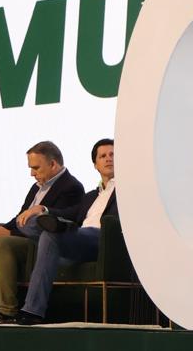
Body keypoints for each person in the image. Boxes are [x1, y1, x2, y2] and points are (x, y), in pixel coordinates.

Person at [0, 141, 84, 323]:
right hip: (19, 238)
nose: (32, 173)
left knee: (2, 242)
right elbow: (21, 216)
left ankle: (7, 311)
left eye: (36, 168)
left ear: (53, 164)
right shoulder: (37, 186)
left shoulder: (71, 187)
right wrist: (4, 228)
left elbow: (48, 226)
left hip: (41, 244)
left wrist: (9, 234)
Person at [16, 138, 117, 325]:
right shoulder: (91, 195)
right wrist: (43, 209)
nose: (108, 159)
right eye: (103, 156)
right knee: (29, 224)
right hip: (79, 238)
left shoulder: (127, 191)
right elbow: (71, 212)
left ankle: (32, 311)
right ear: (95, 165)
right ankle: (56, 226)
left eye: (113, 155)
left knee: (52, 235)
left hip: (102, 238)